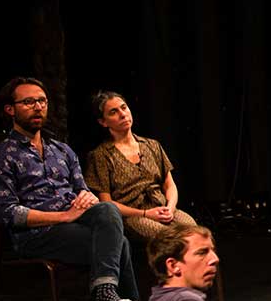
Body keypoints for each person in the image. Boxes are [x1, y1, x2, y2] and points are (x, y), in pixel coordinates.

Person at [0, 76, 141, 301]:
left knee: (107, 208)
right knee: (119, 243)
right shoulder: (1, 157)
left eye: (42, 101)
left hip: (74, 222)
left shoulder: (61, 150)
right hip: (36, 235)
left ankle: (107, 296)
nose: (38, 107)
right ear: (10, 109)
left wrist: (87, 197)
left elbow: (82, 189)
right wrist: (64, 217)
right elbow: (9, 214)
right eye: (28, 102)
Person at [82, 90, 197, 246]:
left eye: (124, 107)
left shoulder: (152, 145)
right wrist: (145, 213)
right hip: (133, 215)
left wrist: (170, 208)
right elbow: (107, 202)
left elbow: (169, 184)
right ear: (103, 122)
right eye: (113, 112)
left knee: (195, 233)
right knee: (169, 239)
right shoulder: (101, 155)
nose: (122, 114)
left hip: (163, 208)